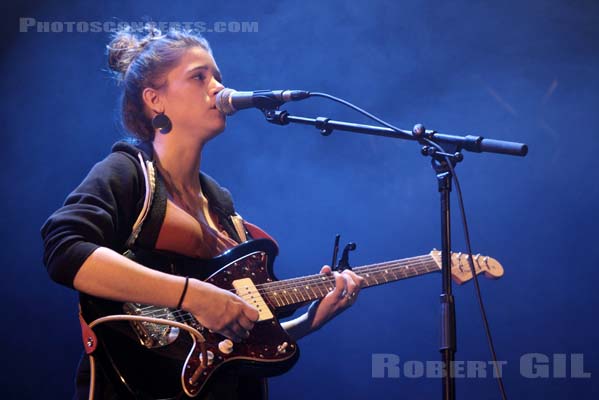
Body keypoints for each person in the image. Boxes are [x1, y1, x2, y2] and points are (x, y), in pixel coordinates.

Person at [41, 27, 364, 400]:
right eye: (199, 76)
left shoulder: (222, 207)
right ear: (154, 99)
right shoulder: (128, 172)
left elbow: (228, 347)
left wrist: (308, 322)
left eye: (218, 78)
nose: (216, 88)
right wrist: (193, 295)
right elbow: (64, 250)